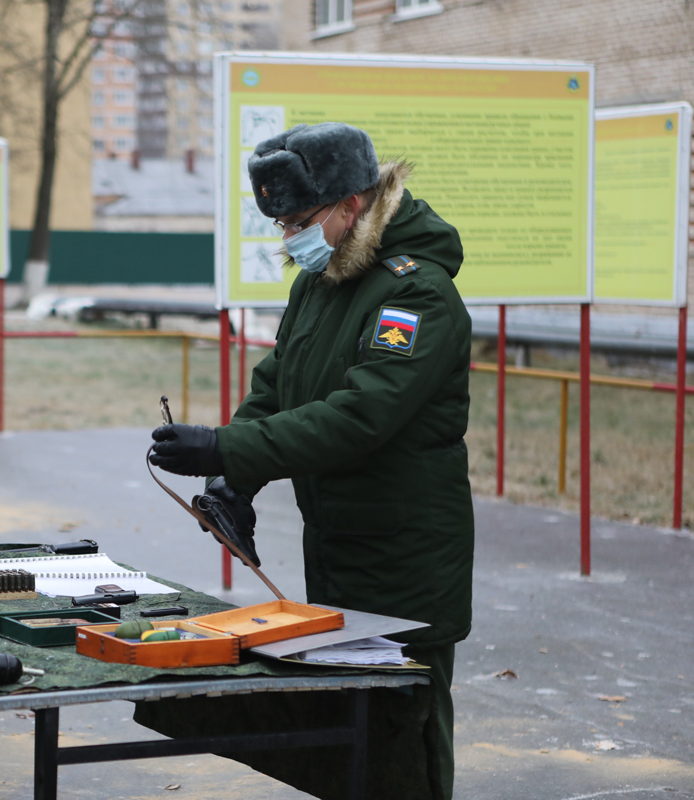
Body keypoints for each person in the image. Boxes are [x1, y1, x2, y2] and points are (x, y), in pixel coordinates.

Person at [149, 121, 473, 799]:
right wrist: (230, 478)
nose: (289, 236)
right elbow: (277, 385)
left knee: (403, 734)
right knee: (352, 732)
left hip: (405, 559)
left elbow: (360, 417)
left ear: (352, 206)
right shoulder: (322, 279)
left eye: (300, 219)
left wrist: (223, 444)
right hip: (341, 545)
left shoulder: (418, 294)